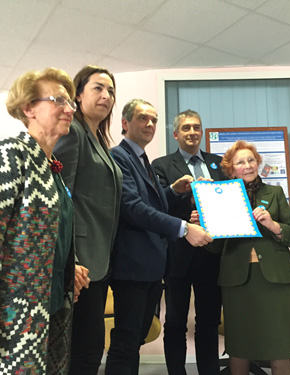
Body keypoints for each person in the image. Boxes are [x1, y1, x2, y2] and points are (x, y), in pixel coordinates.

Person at [0, 67, 90, 374]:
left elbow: (50, 231)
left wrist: (71, 265)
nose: (70, 108)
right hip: (7, 315)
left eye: (70, 102)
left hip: (45, 310)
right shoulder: (10, 153)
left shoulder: (51, 167)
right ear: (29, 108)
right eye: (58, 100)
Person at [105, 99, 213, 375]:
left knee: (134, 338)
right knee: (127, 340)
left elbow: (151, 205)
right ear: (125, 124)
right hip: (134, 265)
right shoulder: (119, 157)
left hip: (152, 266)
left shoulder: (142, 160)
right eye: (143, 118)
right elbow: (133, 208)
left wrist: (173, 191)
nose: (150, 124)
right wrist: (185, 228)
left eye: (153, 120)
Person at [192, 140, 290, 375]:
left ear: (258, 163)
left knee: (280, 341)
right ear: (231, 170)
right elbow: (215, 249)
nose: (247, 165)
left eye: (251, 160)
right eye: (240, 162)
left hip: (276, 280)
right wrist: (203, 227)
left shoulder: (274, 193)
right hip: (238, 281)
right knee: (240, 343)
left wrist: (274, 225)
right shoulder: (219, 198)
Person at [53, 65, 122, 375]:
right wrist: (73, 258)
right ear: (77, 95)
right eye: (97, 88)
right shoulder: (73, 133)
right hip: (80, 262)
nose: (106, 96)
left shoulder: (98, 139)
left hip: (99, 258)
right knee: (84, 348)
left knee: (90, 346)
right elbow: (61, 199)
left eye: (110, 91)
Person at [151, 109, 225, 375]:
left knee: (208, 321)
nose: (192, 132)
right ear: (175, 134)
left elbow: (229, 202)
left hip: (213, 253)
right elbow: (157, 206)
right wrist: (189, 209)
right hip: (178, 255)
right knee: (175, 323)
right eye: (186, 128)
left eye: (196, 127)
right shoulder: (160, 165)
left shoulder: (219, 163)